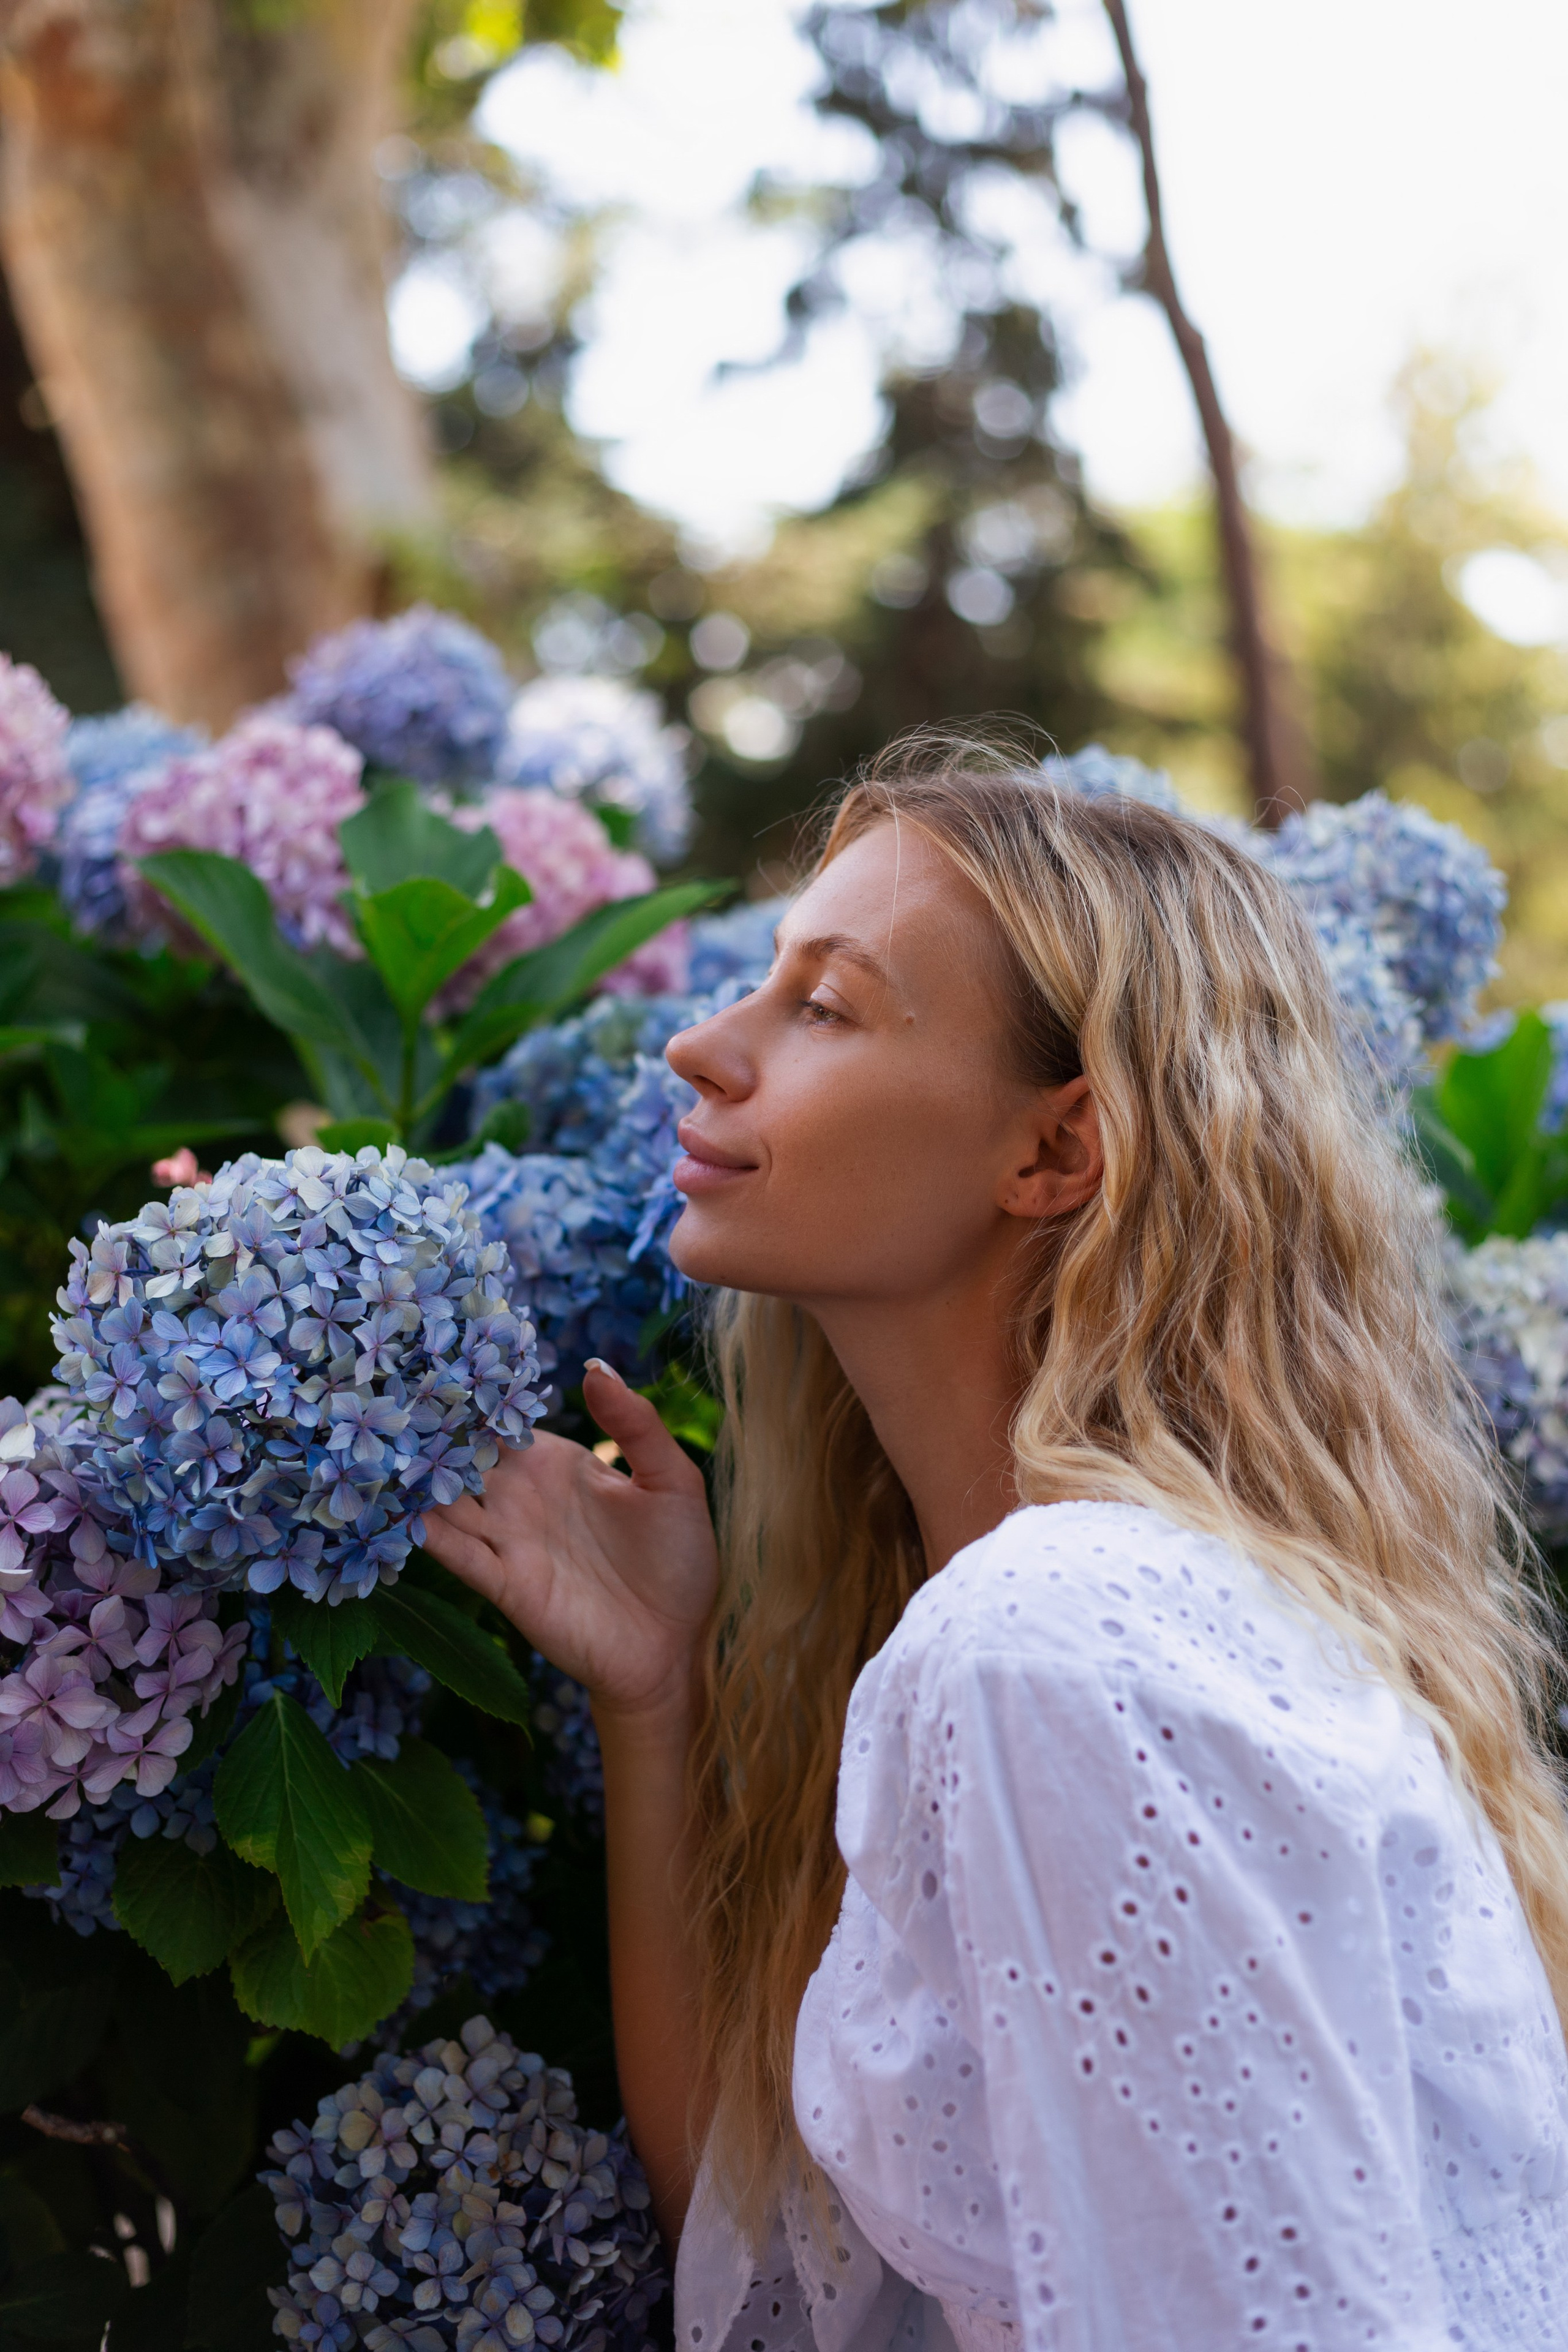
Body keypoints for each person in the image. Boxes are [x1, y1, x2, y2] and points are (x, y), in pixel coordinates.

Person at [424, 741, 1568, 2351]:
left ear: (1054, 1154)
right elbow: (791, 2281)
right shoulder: (1092, 1608)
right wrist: (655, 1694)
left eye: (822, 1007)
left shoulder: (1059, 1643)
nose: (695, 1046)